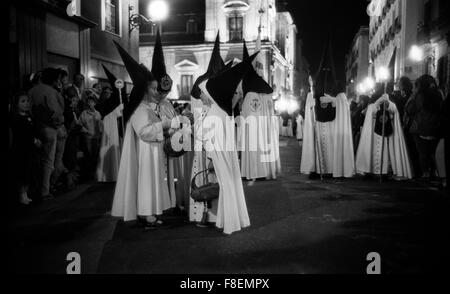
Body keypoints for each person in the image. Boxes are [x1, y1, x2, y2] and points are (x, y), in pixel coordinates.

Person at [111, 41, 173, 227]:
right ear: (143, 90)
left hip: (152, 151)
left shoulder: (146, 107)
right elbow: (144, 132)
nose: (156, 92)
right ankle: (145, 212)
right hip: (145, 152)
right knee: (146, 181)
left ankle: (151, 209)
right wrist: (165, 124)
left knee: (152, 181)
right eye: (153, 88)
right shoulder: (139, 109)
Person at [194, 53, 257, 235]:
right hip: (224, 156)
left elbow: (203, 135)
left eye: (203, 94)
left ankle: (230, 222)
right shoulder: (222, 111)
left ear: (211, 95)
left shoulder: (214, 113)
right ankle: (229, 219)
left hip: (218, 156)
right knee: (229, 184)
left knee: (227, 185)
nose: (202, 97)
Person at [240, 41, 279, 181]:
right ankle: (261, 171)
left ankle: (254, 172)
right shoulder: (264, 93)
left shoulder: (250, 95)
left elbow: (245, 113)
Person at [301, 78, 355, 178]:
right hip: (318, 124)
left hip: (333, 126)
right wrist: (311, 105)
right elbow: (309, 109)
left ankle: (334, 170)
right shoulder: (313, 93)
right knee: (318, 147)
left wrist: (333, 100)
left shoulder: (339, 93)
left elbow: (344, 106)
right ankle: (317, 170)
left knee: (332, 148)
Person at [356, 90, 413, 179]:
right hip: (374, 133)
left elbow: (394, 110)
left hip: (387, 132)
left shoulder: (390, 104)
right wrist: (379, 101)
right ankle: (372, 170)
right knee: (374, 150)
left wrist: (387, 102)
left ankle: (385, 171)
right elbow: (372, 111)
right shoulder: (372, 106)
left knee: (386, 151)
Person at [29, 68, 65, 199]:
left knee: (36, 160)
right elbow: (57, 113)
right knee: (48, 160)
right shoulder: (52, 92)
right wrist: (59, 123)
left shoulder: (31, 90)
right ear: (55, 80)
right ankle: (45, 191)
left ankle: (34, 189)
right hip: (49, 128)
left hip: (34, 128)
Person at [405, 75, 444, 178]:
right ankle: (435, 172)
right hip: (436, 128)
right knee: (433, 152)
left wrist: (414, 95)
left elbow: (409, 110)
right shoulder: (439, 94)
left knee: (422, 153)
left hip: (420, 128)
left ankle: (425, 173)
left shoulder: (420, 96)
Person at [9, 92, 42, 205]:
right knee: (22, 172)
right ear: (16, 104)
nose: (26, 104)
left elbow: (33, 131)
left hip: (30, 149)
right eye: (23, 101)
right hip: (20, 149)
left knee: (30, 171)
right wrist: (33, 140)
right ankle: (21, 194)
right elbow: (21, 134)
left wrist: (37, 139)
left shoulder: (29, 117)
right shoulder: (15, 118)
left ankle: (26, 193)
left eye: (27, 101)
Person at [96, 65, 126, 183]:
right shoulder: (109, 102)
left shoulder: (120, 98)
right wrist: (118, 110)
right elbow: (107, 114)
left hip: (120, 128)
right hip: (111, 127)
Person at [80, 96, 103, 178]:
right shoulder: (84, 113)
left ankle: (94, 172)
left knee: (95, 154)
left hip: (96, 137)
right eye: (88, 102)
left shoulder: (98, 113)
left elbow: (100, 126)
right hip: (88, 137)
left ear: (95, 103)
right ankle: (88, 174)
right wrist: (86, 131)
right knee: (88, 155)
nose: (90, 103)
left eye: (92, 102)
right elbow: (80, 124)